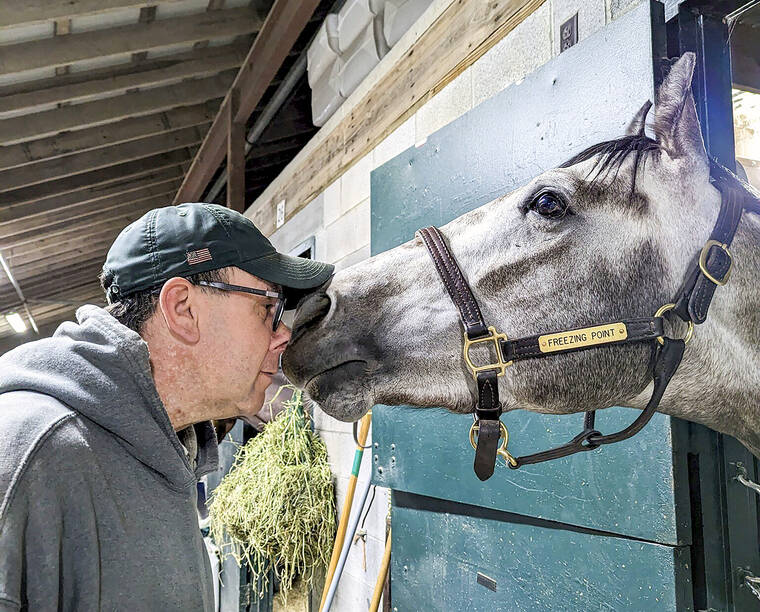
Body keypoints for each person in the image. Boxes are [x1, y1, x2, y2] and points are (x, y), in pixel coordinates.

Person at [0, 203, 333, 611]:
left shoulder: (171, 452)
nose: (282, 334)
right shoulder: (27, 453)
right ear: (182, 309)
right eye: (268, 308)